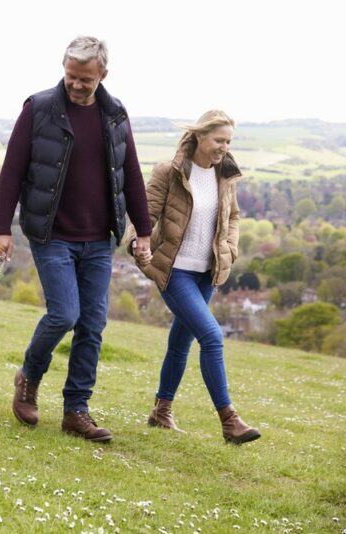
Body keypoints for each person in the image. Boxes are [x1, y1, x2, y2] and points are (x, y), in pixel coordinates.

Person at [0, 35, 152, 442]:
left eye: (86, 79)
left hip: (99, 238)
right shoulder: (39, 108)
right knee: (64, 314)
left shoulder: (115, 114)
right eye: (71, 77)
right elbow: (12, 170)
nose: (77, 85)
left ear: (103, 75)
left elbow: (130, 175)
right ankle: (28, 377)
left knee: (93, 324)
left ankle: (76, 411)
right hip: (52, 234)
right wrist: (0, 228)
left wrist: (144, 231)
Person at [124, 110, 261, 444]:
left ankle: (160, 411)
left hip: (206, 274)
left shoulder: (225, 176)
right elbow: (146, 214)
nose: (223, 147)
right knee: (212, 337)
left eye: (228, 141)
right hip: (175, 271)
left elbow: (234, 216)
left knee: (180, 342)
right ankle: (230, 421)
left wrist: (230, 248)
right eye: (218, 140)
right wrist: (135, 242)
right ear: (200, 137)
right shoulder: (168, 172)